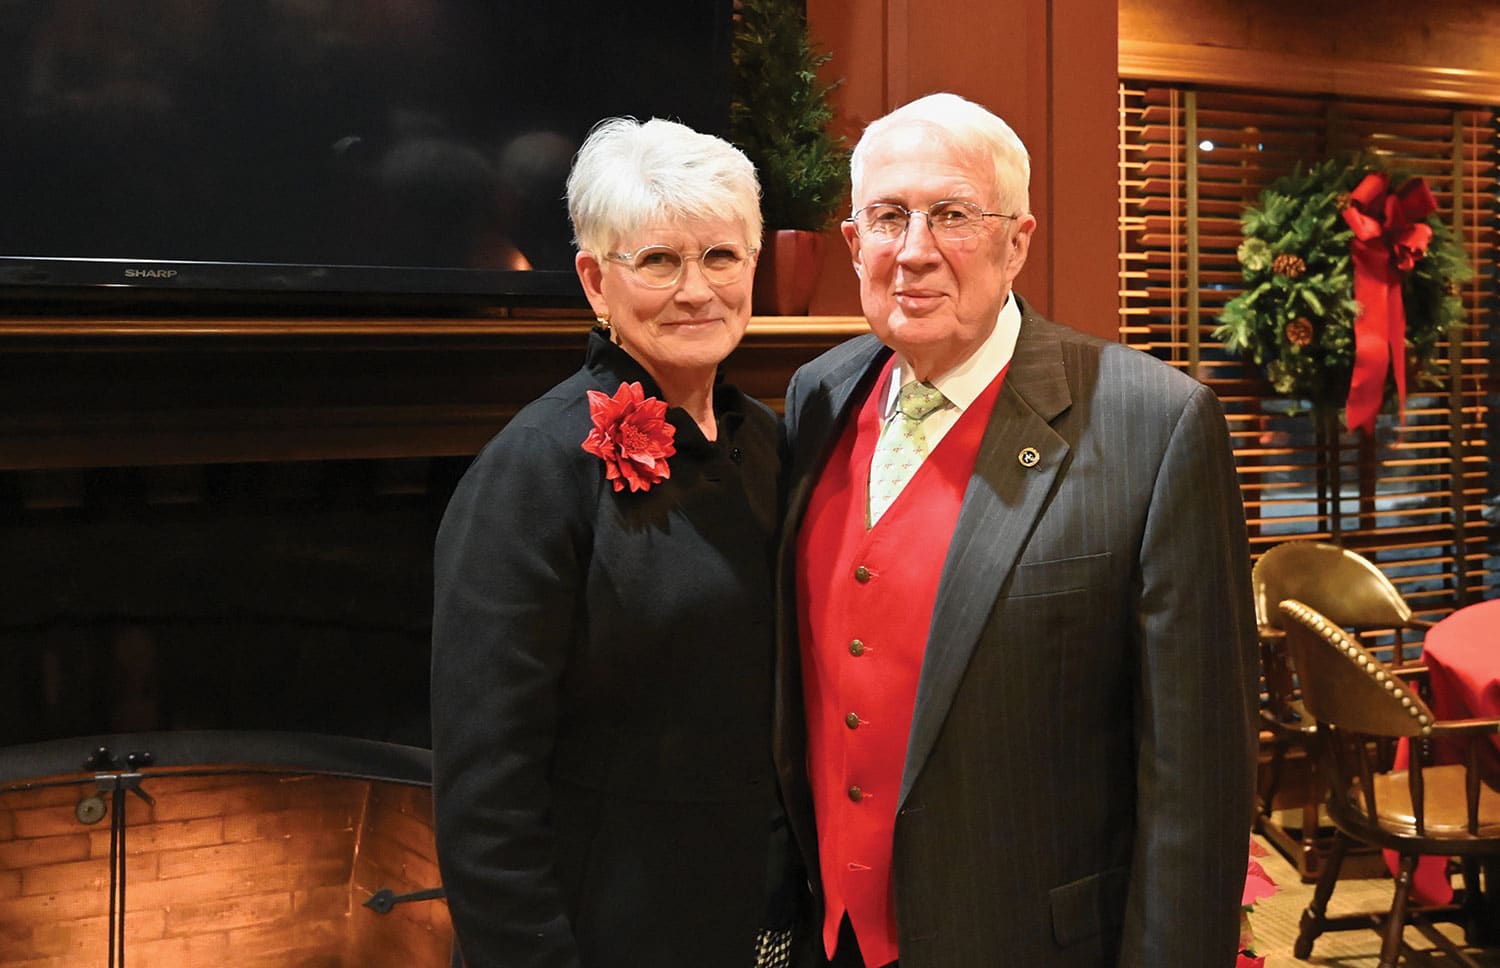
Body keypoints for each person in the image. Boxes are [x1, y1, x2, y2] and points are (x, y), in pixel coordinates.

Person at [774, 92, 1257, 967]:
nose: (914, 252)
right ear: (854, 244)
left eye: (952, 215)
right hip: (832, 934)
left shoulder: (1154, 425)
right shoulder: (819, 395)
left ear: (1016, 241)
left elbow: (1199, 780)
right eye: (888, 217)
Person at [432, 116, 795, 968]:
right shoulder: (535, 469)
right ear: (596, 280)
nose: (697, 289)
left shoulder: (771, 444)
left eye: (721, 257)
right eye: (660, 260)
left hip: (765, 913)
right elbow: (486, 789)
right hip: (609, 935)